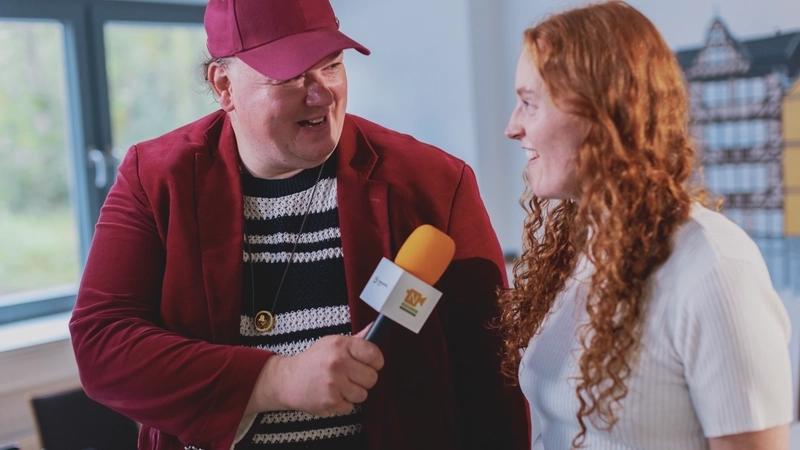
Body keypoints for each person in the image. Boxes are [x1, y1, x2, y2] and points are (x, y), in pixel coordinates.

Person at [68, 0, 529, 449]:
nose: (322, 93)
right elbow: (101, 344)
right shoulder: (154, 180)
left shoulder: (433, 183)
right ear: (224, 85)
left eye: (332, 65)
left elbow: (491, 375)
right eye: (290, 76)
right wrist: (276, 380)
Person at [498, 2, 793, 449]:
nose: (512, 127)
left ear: (602, 110)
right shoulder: (580, 250)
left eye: (528, 103)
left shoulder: (716, 266)